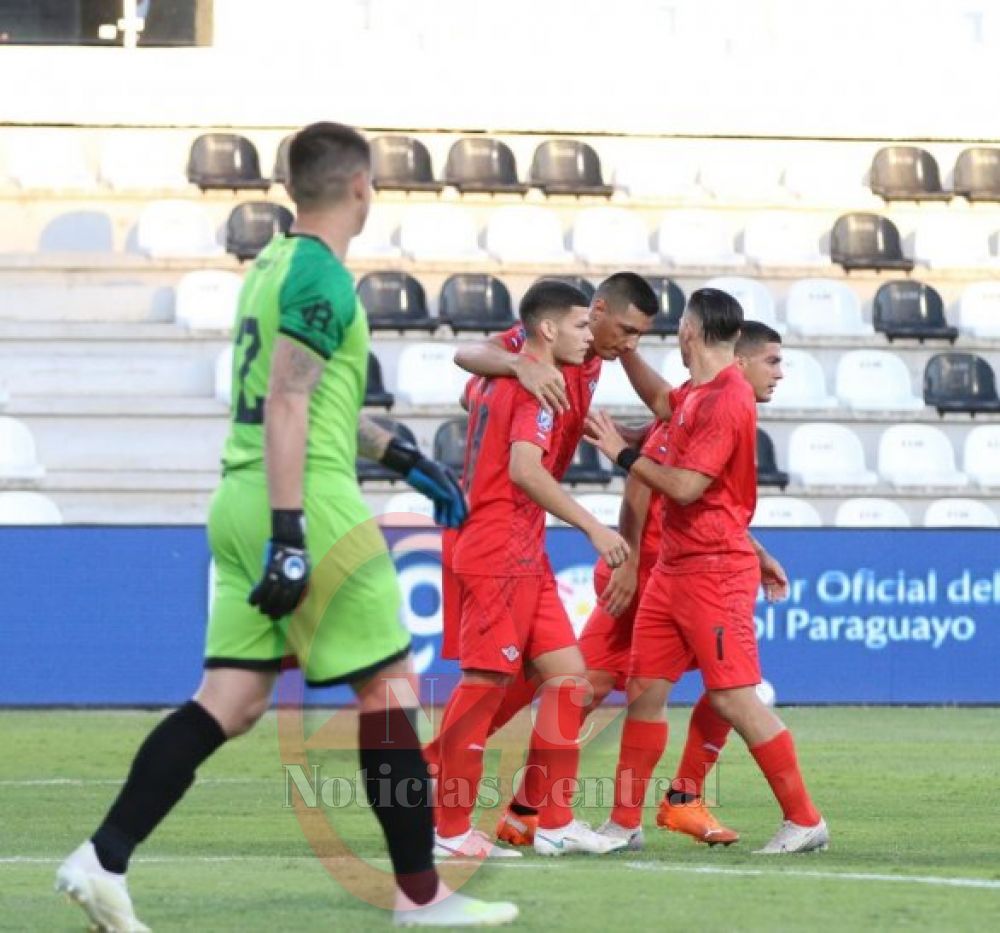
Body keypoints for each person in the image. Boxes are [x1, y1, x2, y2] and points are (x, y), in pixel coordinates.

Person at [55, 121, 517, 931]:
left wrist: (405, 457)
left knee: (230, 700)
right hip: (306, 502)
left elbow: (310, 396)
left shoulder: (270, 263)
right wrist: (293, 530)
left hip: (239, 496)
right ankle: (420, 896)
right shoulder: (323, 277)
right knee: (387, 688)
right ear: (361, 186)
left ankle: (102, 858)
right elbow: (290, 401)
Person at [585, 289, 829, 855]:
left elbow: (689, 487)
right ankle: (624, 823)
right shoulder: (698, 394)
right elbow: (660, 400)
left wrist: (622, 452)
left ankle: (804, 818)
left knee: (735, 698)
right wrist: (623, 355)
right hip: (673, 568)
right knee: (644, 692)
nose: (779, 373)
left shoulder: (726, 398)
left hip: (713, 572)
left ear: (686, 333)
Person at [425, 274, 660, 843]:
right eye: (608, 329)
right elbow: (524, 467)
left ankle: (552, 822)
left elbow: (475, 395)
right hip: (494, 540)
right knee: (484, 682)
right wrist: (593, 527)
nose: (620, 343)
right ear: (568, 323)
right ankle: (447, 824)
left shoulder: (567, 361)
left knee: (568, 679)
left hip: (523, 540)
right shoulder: (531, 370)